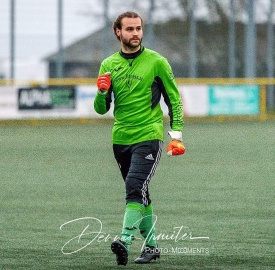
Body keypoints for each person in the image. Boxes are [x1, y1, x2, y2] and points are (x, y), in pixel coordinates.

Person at [94, 11, 185, 266]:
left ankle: (124, 240)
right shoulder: (108, 64)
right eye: (130, 29)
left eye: (139, 29)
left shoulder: (157, 62)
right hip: (120, 139)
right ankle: (153, 247)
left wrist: (176, 136)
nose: (135, 33)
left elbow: (174, 100)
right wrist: (101, 92)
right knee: (139, 193)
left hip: (149, 135)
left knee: (134, 186)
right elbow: (101, 109)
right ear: (118, 32)